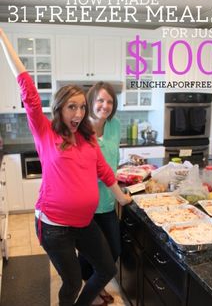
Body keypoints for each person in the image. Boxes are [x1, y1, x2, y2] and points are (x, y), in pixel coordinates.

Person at [0, 28, 132, 306]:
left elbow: (104, 172)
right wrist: (3, 36)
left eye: (82, 107)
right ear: (59, 108)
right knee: (72, 282)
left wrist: (122, 197)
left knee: (107, 268)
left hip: (84, 222)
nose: (79, 113)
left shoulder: (88, 137)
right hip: (54, 226)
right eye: (72, 107)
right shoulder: (45, 132)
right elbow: (27, 86)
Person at [79, 82, 121, 305]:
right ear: (90, 101)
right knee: (87, 254)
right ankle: (94, 291)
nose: (105, 105)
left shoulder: (115, 125)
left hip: (108, 201)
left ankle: (97, 285)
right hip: (86, 204)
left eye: (110, 102)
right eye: (100, 100)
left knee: (113, 249)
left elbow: (112, 160)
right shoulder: (80, 128)